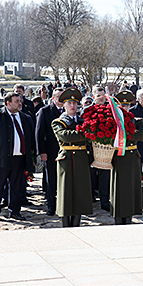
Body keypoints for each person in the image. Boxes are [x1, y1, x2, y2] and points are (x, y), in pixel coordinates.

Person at [0, 92, 35, 221]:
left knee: (16, 186)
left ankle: (15, 211)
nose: (20, 103)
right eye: (16, 101)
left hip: (19, 158)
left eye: (20, 100)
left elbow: (31, 140)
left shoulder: (25, 118)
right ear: (8, 103)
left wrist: (31, 158)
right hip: (0, 159)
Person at [52, 87, 93, 227]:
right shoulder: (58, 121)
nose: (72, 106)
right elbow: (65, 136)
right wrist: (84, 135)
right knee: (66, 192)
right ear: (63, 104)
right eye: (69, 103)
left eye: (75, 103)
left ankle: (77, 222)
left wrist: (83, 135)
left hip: (82, 157)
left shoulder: (83, 121)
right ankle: (65, 223)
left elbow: (87, 137)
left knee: (80, 192)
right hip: (66, 159)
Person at [110, 91, 143, 224]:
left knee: (132, 187)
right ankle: (118, 216)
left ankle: (130, 215)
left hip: (132, 157)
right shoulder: (113, 121)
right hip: (119, 156)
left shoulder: (137, 120)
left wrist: (124, 134)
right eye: (122, 106)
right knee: (119, 187)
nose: (125, 108)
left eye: (127, 105)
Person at [35, 88, 64, 216]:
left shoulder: (69, 111)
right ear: (53, 98)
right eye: (58, 97)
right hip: (50, 151)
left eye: (62, 97)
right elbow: (39, 133)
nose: (60, 100)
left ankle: (64, 204)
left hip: (66, 151)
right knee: (51, 180)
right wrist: (42, 152)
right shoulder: (45, 111)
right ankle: (51, 206)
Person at [90, 86, 111, 211]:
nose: (101, 99)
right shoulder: (88, 110)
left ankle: (105, 201)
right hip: (91, 149)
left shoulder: (110, 109)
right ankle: (91, 198)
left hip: (106, 149)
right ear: (93, 96)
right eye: (98, 96)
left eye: (103, 96)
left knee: (105, 176)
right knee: (91, 176)